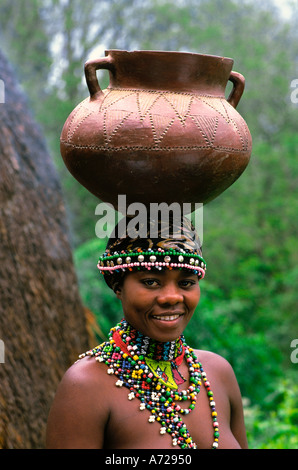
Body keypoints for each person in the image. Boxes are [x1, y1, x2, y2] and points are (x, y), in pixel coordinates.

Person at [46, 215, 248, 449]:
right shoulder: (85, 385)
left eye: (186, 283)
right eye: (151, 282)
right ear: (118, 286)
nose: (172, 297)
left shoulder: (217, 372)